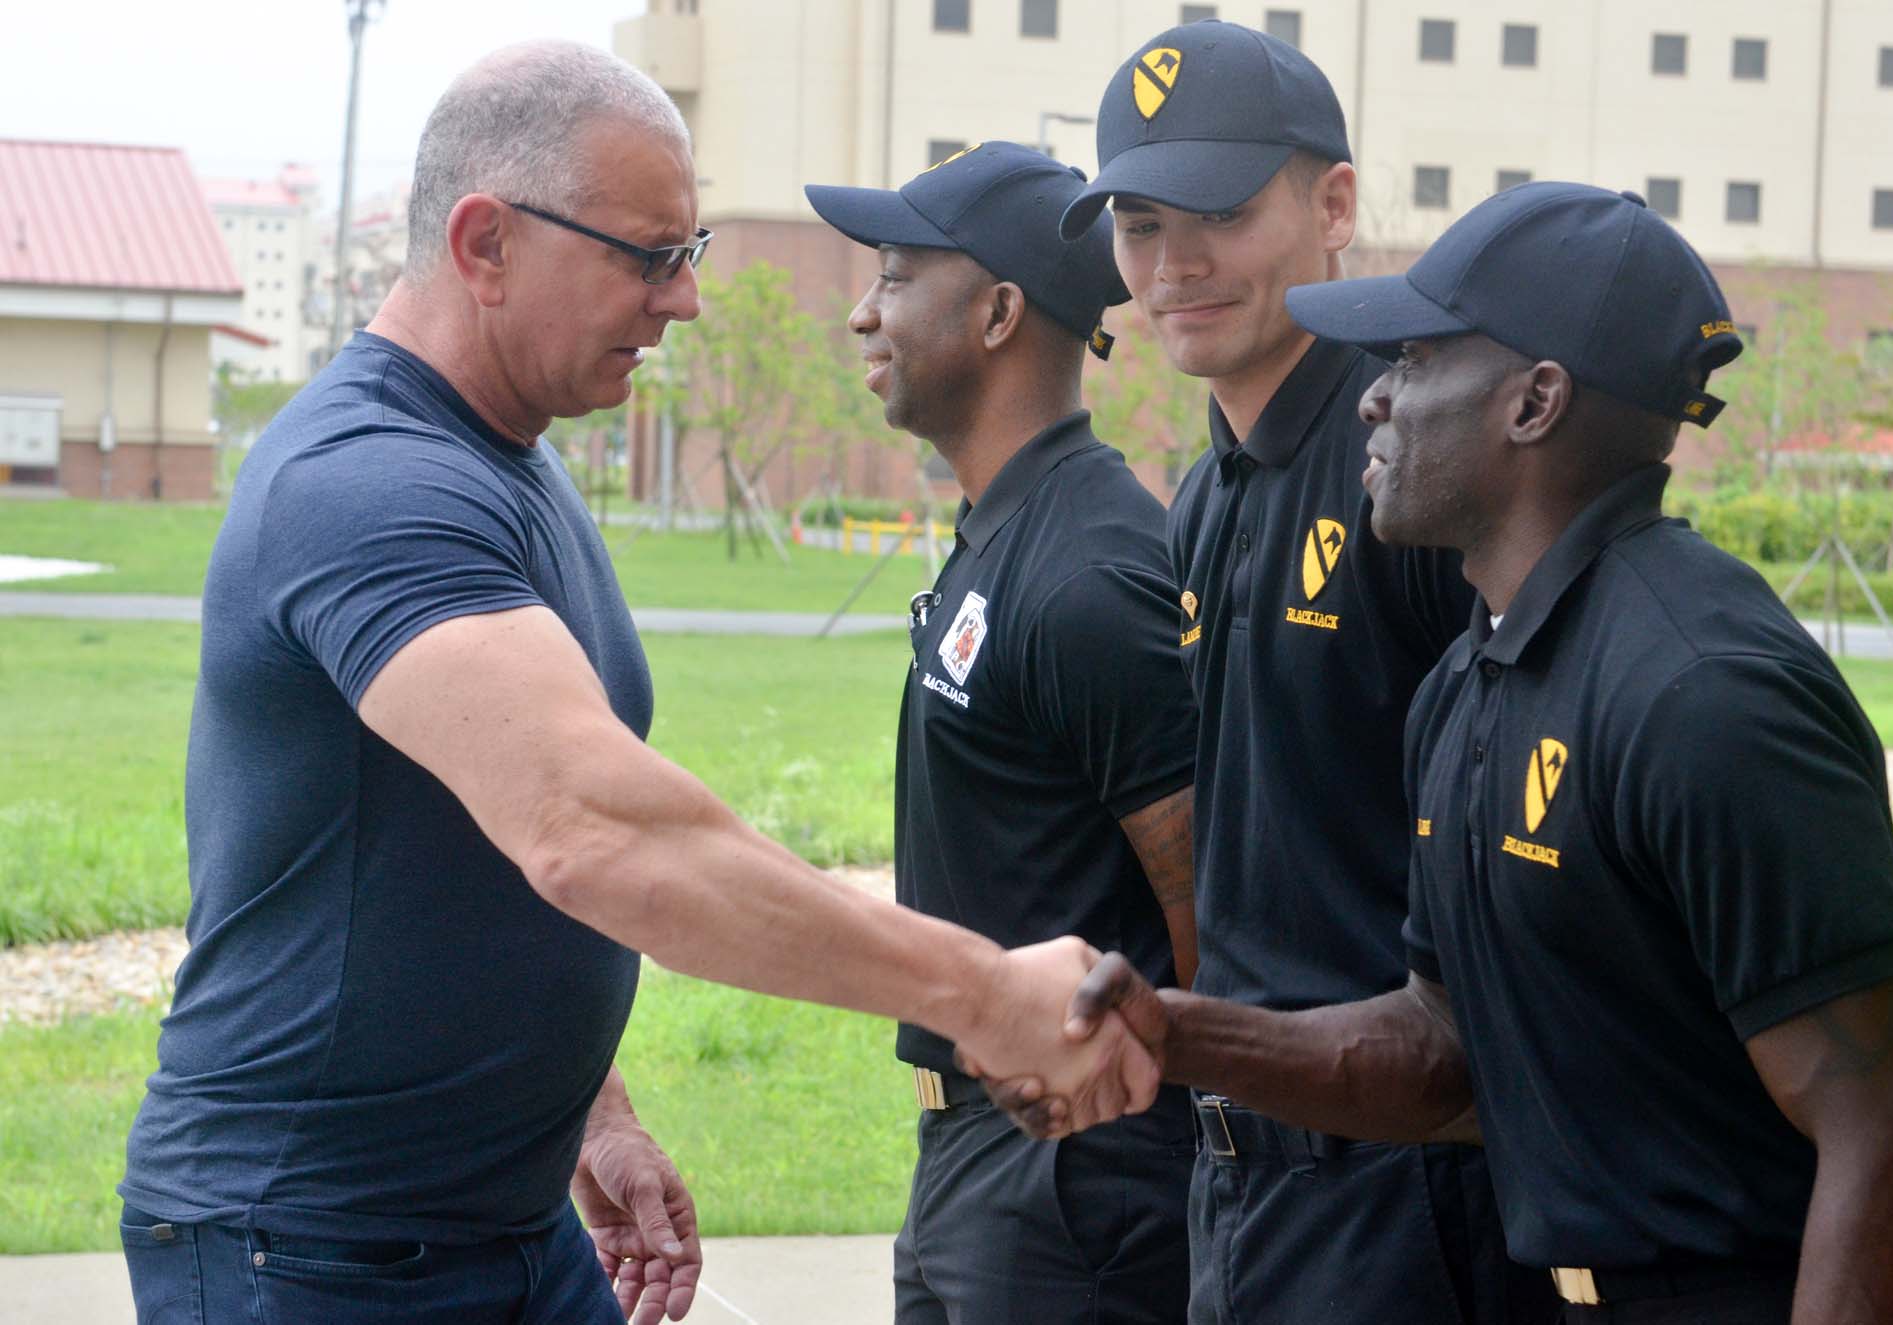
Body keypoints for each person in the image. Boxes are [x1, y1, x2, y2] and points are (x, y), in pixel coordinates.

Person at [116, 42, 1155, 1325]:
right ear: (485, 242)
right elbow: (587, 824)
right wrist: (983, 991)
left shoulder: (516, 465)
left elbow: (473, 846)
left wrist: (588, 1110)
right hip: (310, 1242)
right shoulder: (367, 484)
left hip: (503, 1220)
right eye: (646, 256)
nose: (685, 302)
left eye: (692, 252)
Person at [1011, 181, 1893, 1324]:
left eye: (1415, 358)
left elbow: (1892, 1151)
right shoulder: (1472, 679)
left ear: (1533, 402)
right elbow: (1442, 1054)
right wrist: (1170, 1031)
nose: (1371, 398)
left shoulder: (1703, 695)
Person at [1051, 19, 1552, 1322]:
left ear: (1335, 204)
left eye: (1217, 209)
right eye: (1140, 224)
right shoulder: (1205, 497)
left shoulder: (1417, 462)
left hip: (1415, 1187)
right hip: (1248, 1181)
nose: (1174, 265)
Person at [806, 139, 1201, 1324]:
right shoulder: (1005, 528)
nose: (861, 314)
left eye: (891, 274)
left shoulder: (1091, 570)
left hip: (1075, 1179)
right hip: (975, 1164)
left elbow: (1206, 919)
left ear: (995, 311)